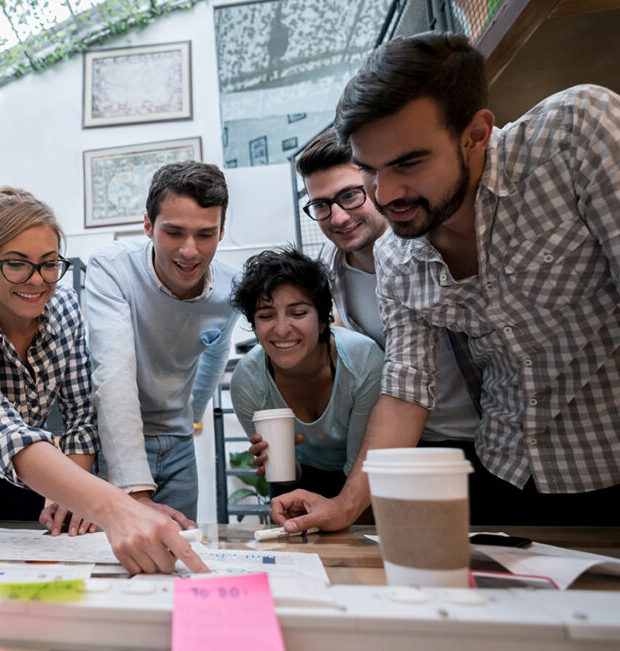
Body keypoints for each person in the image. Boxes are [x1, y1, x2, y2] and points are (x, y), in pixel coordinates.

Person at [273, 31, 620, 532]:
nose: (385, 194)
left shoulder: (573, 135)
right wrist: (346, 507)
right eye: (369, 170)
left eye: (408, 163)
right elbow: (406, 391)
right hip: (505, 474)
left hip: (607, 461)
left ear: (475, 133)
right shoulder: (396, 255)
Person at [0, 186, 208, 575]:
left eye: (49, 263)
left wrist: (73, 499)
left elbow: (80, 415)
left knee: (28, 573)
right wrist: (117, 506)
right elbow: (3, 434)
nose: (36, 281)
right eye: (16, 264)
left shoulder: (64, 307)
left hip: (34, 475)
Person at [296, 128, 479, 455]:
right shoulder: (326, 273)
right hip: (404, 446)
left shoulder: (438, 246)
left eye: (349, 195)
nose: (338, 217)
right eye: (321, 205)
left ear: (375, 184)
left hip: (488, 437)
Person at [86, 161, 240, 521]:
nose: (190, 251)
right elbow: (113, 375)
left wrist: (192, 415)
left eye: (205, 234)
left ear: (221, 231)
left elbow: (216, 353)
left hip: (179, 444)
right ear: (148, 225)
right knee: (111, 545)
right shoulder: (113, 269)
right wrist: (135, 491)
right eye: (174, 232)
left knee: (179, 543)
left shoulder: (231, 289)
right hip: (114, 439)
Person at [229, 249, 382, 502]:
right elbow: (286, 477)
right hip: (300, 479)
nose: (281, 329)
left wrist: (341, 511)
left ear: (322, 320)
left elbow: (361, 467)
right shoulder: (248, 380)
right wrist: (280, 463)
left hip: (363, 476)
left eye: (298, 313)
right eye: (266, 316)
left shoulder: (362, 361)